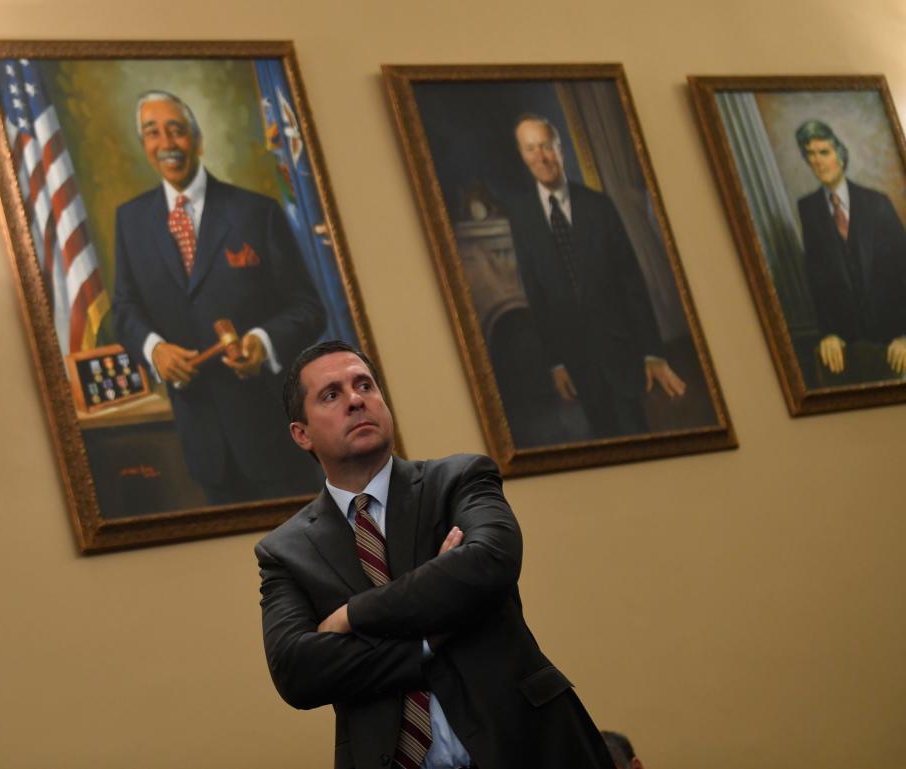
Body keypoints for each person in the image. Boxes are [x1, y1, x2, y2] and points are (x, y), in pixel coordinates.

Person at [255, 340, 616, 769]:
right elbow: (298, 671)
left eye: (365, 385)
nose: (355, 400)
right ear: (302, 434)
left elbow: (489, 563)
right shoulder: (286, 551)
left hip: (530, 746)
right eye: (332, 395)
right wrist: (432, 632)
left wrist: (354, 615)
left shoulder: (459, 479)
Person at [113, 90, 325, 504]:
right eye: (153, 133)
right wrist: (154, 350)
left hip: (274, 436)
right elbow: (124, 308)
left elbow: (308, 308)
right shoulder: (130, 220)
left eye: (176, 130)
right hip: (202, 446)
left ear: (197, 139)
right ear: (144, 146)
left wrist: (263, 343)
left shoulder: (255, 212)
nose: (167, 144)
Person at [506, 114, 686, 439]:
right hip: (574, 366)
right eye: (531, 149)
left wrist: (652, 352)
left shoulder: (599, 205)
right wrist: (556, 363)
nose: (541, 157)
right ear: (522, 155)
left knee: (641, 441)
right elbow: (536, 294)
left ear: (560, 149)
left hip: (622, 353)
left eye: (547, 146)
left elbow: (631, 283)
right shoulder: (521, 218)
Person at [794, 119, 906, 381]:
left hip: (896, 342)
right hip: (848, 349)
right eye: (810, 154)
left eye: (824, 152)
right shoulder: (808, 209)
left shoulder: (876, 203)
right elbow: (818, 281)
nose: (817, 161)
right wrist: (829, 334)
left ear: (840, 155)